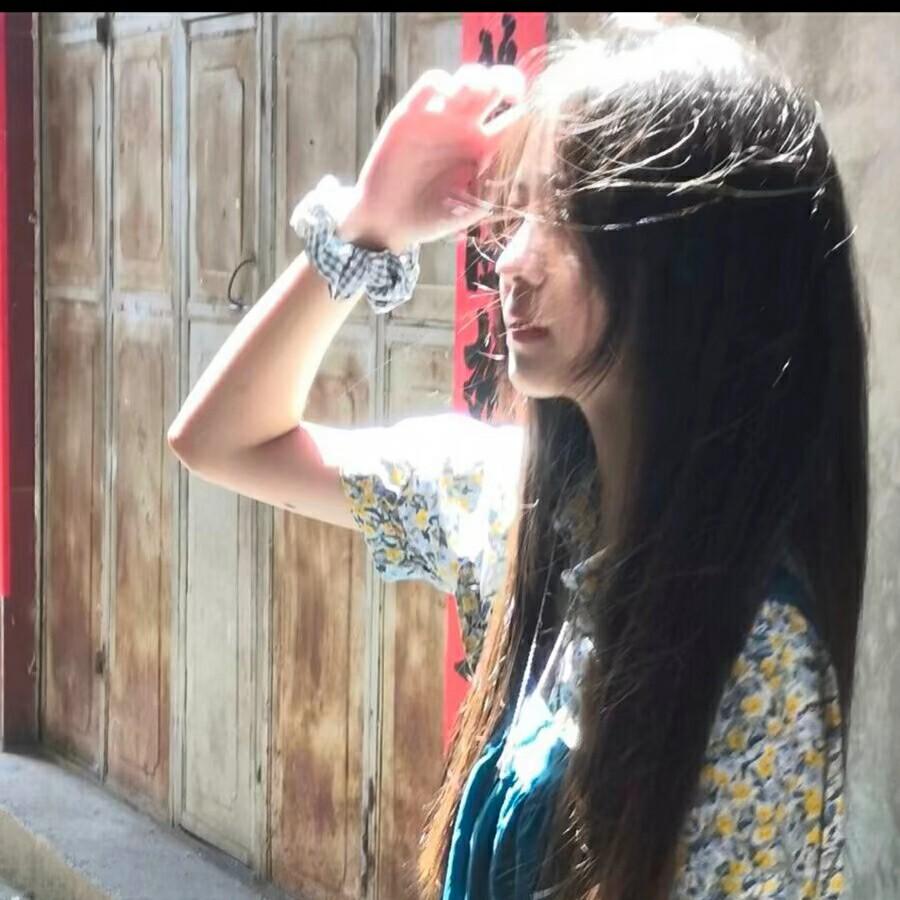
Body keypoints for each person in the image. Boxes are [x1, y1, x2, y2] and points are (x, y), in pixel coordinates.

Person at [168, 17, 866, 900]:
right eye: (520, 210)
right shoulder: (511, 506)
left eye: (568, 216)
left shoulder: (757, 657)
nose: (511, 261)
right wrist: (368, 227)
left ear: (699, 261)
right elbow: (223, 439)